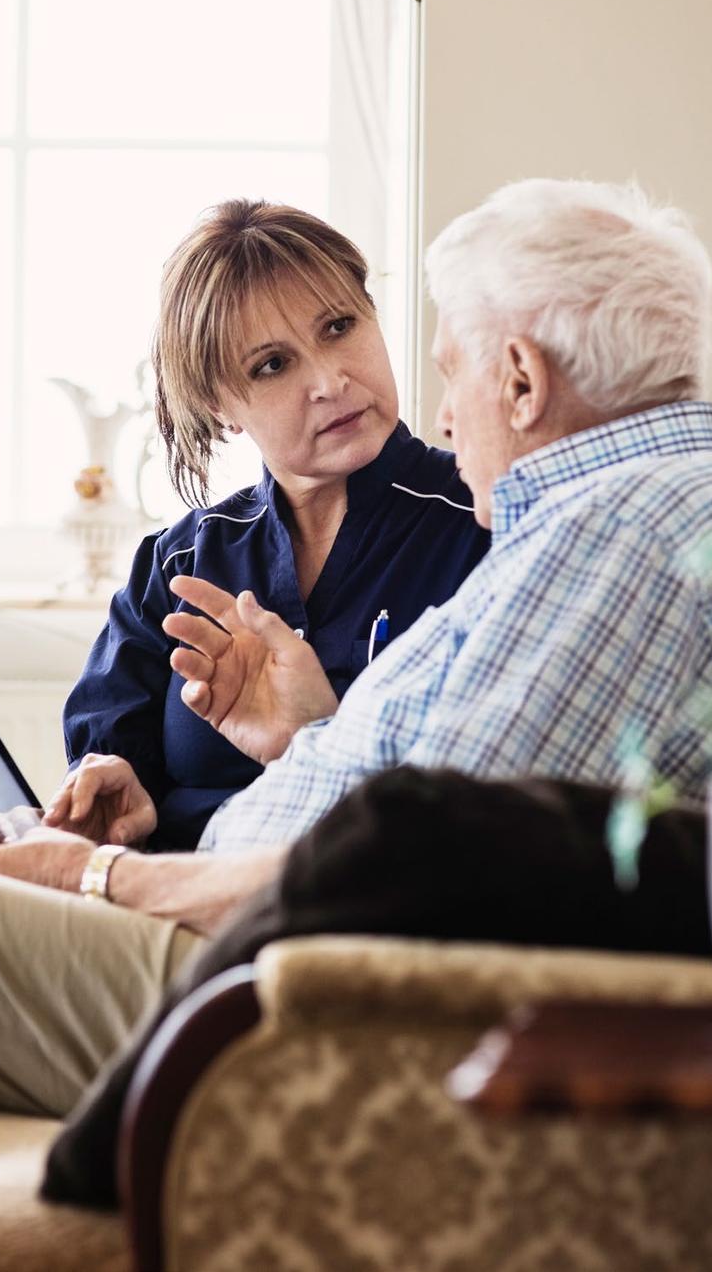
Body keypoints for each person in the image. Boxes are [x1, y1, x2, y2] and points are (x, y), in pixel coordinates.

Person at [0, 178, 712, 1208]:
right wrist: (284, 749)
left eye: (444, 365)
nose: (443, 415)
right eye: (273, 365)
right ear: (222, 403)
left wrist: (104, 877)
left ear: (517, 379)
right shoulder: (585, 525)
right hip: (250, 936)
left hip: (271, 988)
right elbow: (441, 813)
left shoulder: (600, 536)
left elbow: (429, 853)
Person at [55, 198, 489, 849]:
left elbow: (496, 806)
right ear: (220, 406)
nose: (329, 380)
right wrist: (119, 787)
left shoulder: (483, 524)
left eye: (340, 326)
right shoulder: (179, 563)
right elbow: (107, 752)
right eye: (272, 364)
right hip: (159, 898)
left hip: (339, 917)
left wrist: (321, 735)